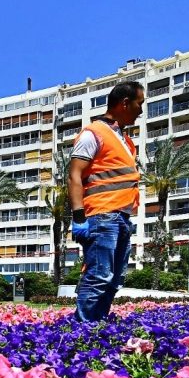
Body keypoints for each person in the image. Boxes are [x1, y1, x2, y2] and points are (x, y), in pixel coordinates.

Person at [68, 81, 145, 322]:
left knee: (115, 278)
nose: (141, 110)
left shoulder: (124, 140)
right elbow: (74, 175)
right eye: (139, 104)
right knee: (99, 275)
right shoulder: (93, 133)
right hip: (102, 215)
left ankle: (97, 324)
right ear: (125, 103)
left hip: (121, 216)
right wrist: (79, 217)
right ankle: (83, 329)